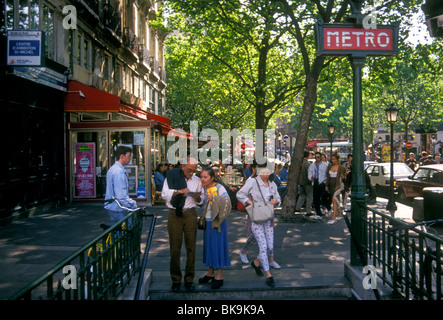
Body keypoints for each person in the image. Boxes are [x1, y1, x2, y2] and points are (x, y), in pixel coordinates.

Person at [161, 157, 203, 293]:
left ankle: (189, 279)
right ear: (183, 166)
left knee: (191, 248)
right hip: (174, 214)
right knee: (175, 248)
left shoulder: (196, 180)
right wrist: (178, 191)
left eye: (194, 170)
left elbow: (201, 202)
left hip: (190, 213)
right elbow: (164, 194)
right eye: (190, 170)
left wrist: (198, 198)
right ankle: (176, 279)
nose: (192, 173)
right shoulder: (172, 176)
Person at [236, 166, 281, 288]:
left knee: (270, 246)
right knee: (263, 246)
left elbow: (278, 198)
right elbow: (239, 194)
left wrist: (276, 201)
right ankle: (268, 275)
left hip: (268, 216)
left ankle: (256, 263)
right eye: (263, 172)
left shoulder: (272, 184)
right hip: (256, 217)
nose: (265, 175)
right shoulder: (252, 181)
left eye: (267, 172)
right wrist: (250, 202)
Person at [198, 168, 231, 289]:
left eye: (205, 177)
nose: (203, 179)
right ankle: (210, 272)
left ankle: (219, 275)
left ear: (212, 178)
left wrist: (214, 199)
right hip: (207, 221)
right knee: (209, 247)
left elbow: (228, 202)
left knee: (218, 246)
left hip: (217, 222)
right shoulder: (203, 187)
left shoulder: (219, 188)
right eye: (201, 177)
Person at [104, 146, 137, 224]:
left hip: (113, 206)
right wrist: (132, 204)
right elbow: (121, 196)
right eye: (129, 156)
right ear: (122, 156)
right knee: (126, 231)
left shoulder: (113, 169)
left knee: (116, 231)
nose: (130, 159)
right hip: (118, 208)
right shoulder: (119, 172)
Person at [326, 154, 347, 224]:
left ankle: (333, 218)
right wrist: (326, 186)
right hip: (330, 186)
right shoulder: (330, 166)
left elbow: (346, 174)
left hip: (337, 185)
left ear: (337, 159)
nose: (333, 160)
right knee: (335, 200)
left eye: (334, 159)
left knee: (334, 200)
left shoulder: (341, 168)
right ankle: (339, 214)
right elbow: (328, 177)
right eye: (332, 159)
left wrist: (343, 177)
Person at [308, 152, 329, 220]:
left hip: (323, 182)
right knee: (315, 199)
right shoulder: (312, 165)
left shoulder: (325, 165)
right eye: (315, 157)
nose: (317, 158)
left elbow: (327, 174)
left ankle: (327, 208)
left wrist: (326, 184)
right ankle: (318, 213)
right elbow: (309, 173)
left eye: (318, 157)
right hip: (316, 182)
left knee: (323, 198)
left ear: (320, 157)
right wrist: (311, 177)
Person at [295, 151, 313, 216]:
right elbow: (309, 174)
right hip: (307, 182)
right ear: (308, 156)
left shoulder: (299, 163)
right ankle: (308, 211)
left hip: (301, 182)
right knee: (309, 196)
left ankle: (297, 208)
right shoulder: (307, 164)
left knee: (302, 195)